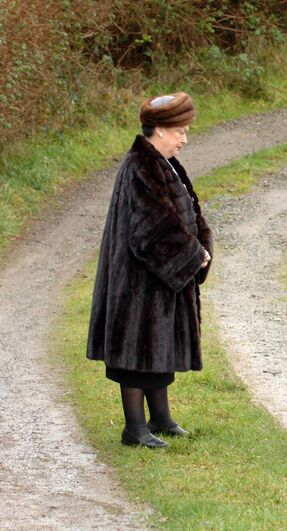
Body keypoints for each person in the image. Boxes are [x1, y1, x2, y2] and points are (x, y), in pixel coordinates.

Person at [87, 92, 212, 448]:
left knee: (159, 347)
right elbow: (151, 229)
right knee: (136, 352)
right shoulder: (140, 165)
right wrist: (193, 254)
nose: (184, 140)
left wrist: (202, 244)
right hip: (138, 279)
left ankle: (160, 418)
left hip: (161, 278)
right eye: (180, 132)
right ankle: (134, 428)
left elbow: (188, 209)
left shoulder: (164, 161)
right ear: (158, 130)